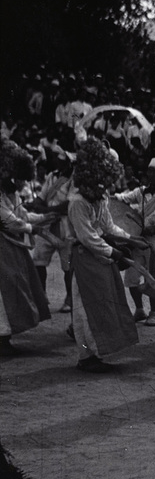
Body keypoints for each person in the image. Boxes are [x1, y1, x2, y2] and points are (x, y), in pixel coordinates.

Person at [67, 138, 148, 372]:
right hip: (85, 259)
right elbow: (87, 238)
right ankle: (86, 356)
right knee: (85, 306)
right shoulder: (77, 203)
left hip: (101, 257)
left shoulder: (100, 197)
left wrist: (131, 239)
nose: (106, 186)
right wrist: (115, 252)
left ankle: (95, 353)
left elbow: (109, 226)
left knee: (102, 303)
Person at [0, 138, 53, 356]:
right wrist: (34, 228)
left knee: (11, 289)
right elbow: (8, 220)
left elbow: (20, 216)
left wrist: (43, 217)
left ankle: (6, 337)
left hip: (9, 246)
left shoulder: (7, 193)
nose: (19, 183)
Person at [114, 158, 155, 327]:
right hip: (138, 239)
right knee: (131, 276)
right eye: (150, 171)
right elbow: (123, 198)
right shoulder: (141, 192)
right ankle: (139, 309)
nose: (151, 175)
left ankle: (153, 313)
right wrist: (110, 196)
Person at [27, 149, 76, 313]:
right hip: (47, 224)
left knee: (67, 266)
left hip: (65, 225)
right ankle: (42, 297)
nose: (59, 163)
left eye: (63, 161)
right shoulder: (52, 176)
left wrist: (46, 209)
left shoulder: (74, 180)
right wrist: (38, 205)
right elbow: (41, 197)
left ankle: (69, 299)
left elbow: (68, 205)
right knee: (38, 261)